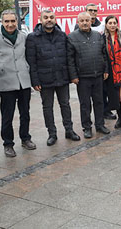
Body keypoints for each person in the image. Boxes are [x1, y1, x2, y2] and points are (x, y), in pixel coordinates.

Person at [26, 10, 81, 146]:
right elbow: (31, 62)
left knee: (65, 105)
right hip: (44, 79)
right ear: (40, 20)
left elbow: (69, 57)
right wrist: (35, 81)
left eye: (51, 17)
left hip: (62, 77)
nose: (49, 20)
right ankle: (52, 133)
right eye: (46, 18)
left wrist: (71, 76)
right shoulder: (33, 38)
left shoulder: (62, 35)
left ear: (55, 19)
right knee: (47, 107)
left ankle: (69, 130)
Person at [0, 10, 34, 157]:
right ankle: (8, 143)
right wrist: (0, 72)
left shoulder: (23, 36)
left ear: (17, 21)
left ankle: (25, 138)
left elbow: (27, 56)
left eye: (13, 21)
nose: (10, 24)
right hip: (6, 83)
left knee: (25, 113)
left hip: (23, 81)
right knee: (7, 115)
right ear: (2, 22)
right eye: (7, 21)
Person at [68, 12, 111, 139]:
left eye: (87, 20)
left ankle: (100, 125)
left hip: (98, 75)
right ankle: (87, 127)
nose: (85, 23)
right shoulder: (72, 37)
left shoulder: (98, 36)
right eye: (82, 21)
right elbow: (69, 59)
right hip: (82, 78)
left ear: (91, 21)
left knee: (99, 102)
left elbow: (104, 55)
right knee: (85, 104)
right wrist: (73, 76)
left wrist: (106, 70)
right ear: (78, 22)